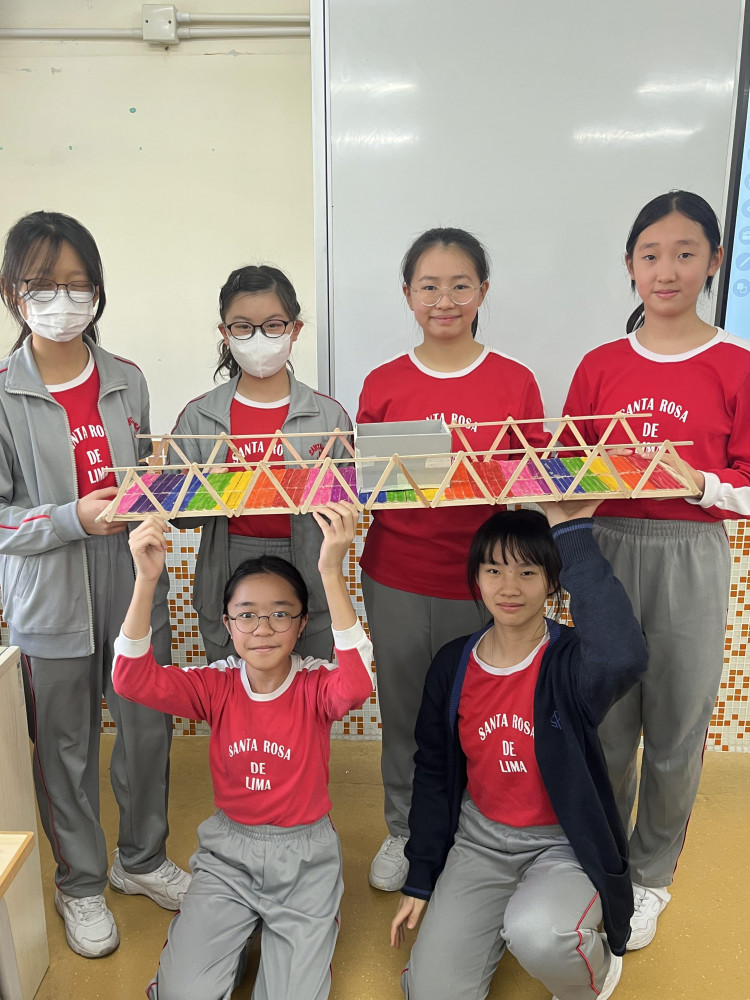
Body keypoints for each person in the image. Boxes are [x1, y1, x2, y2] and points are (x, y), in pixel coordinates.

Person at [562, 190, 750, 948]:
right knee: (605, 722)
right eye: (650, 255)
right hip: (606, 547)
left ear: (712, 262)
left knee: (675, 726)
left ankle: (649, 876)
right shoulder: (600, 365)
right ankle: (603, 861)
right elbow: (568, 465)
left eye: (684, 253)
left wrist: (696, 481)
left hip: (689, 552)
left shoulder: (736, 364)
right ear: (630, 266)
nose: (666, 270)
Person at [0, 211, 189, 959]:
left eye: (79, 284)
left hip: (133, 586)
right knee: (64, 748)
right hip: (48, 597)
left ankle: (141, 859)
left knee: (146, 730)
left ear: (99, 291)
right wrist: (70, 518)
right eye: (44, 285)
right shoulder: (3, 394)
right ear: (13, 293)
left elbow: (142, 475)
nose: (64, 300)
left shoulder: (127, 379)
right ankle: (79, 882)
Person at [112, 503, 373, 1000]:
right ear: (227, 625)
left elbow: (357, 683)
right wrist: (146, 580)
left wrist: (330, 571)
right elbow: (130, 679)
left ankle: (273, 929)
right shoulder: (217, 684)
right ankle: (233, 931)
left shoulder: (316, 683)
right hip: (228, 856)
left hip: (304, 860)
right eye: (247, 615)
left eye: (281, 614)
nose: (263, 628)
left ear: (302, 623)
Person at [390, 504, 648, 1000]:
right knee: (430, 993)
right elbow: (434, 772)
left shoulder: (570, 662)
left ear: (552, 581)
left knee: (540, 935)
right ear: (477, 578)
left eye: (528, 572)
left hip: (562, 842)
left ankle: (594, 972)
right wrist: (420, 877)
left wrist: (571, 532)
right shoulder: (454, 663)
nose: (509, 587)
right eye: (494, 570)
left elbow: (624, 656)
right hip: (480, 841)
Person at [357, 227, 548, 890]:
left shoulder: (515, 381)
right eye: (430, 286)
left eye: (460, 285)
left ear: (482, 292)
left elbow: (531, 482)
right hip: (397, 575)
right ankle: (406, 830)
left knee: (480, 711)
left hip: (488, 584)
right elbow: (369, 483)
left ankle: (472, 830)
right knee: (406, 711)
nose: (445, 300)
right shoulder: (383, 383)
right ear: (408, 294)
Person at [171, 264, 353, 665]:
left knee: (309, 692)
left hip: (310, 573)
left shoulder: (329, 417)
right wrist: (208, 491)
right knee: (232, 692)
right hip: (226, 569)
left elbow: (349, 505)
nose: (258, 338)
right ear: (225, 333)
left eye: (273, 325)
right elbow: (178, 517)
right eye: (243, 327)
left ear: (295, 329)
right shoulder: (199, 416)